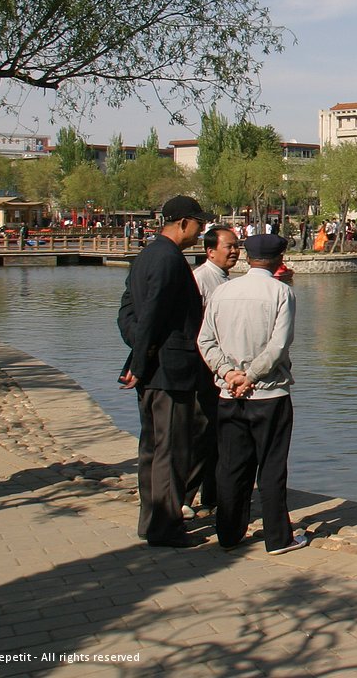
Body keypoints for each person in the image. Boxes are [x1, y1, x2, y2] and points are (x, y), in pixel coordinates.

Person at [197, 232, 306, 555]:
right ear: (279, 260)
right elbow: (278, 344)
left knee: (231, 466)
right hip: (269, 394)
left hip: (229, 393)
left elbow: (205, 340)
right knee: (271, 466)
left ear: (247, 257)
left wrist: (228, 373)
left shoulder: (223, 291)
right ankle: (278, 537)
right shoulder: (281, 292)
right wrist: (252, 375)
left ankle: (229, 533)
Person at [117, 196, 212, 548]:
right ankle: (166, 527)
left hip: (153, 367)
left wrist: (138, 353)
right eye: (198, 224)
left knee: (151, 448)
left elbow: (128, 312)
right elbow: (153, 313)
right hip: (169, 370)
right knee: (171, 450)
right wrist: (141, 361)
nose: (200, 231)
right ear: (183, 222)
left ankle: (150, 521)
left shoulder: (146, 255)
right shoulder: (169, 259)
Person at [185, 226, 240, 516]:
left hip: (220, 368)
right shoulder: (201, 279)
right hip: (206, 368)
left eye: (236, 246)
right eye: (229, 246)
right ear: (210, 251)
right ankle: (185, 496)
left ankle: (212, 495)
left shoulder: (224, 278)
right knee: (202, 431)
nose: (234, 251)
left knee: (218, 432)